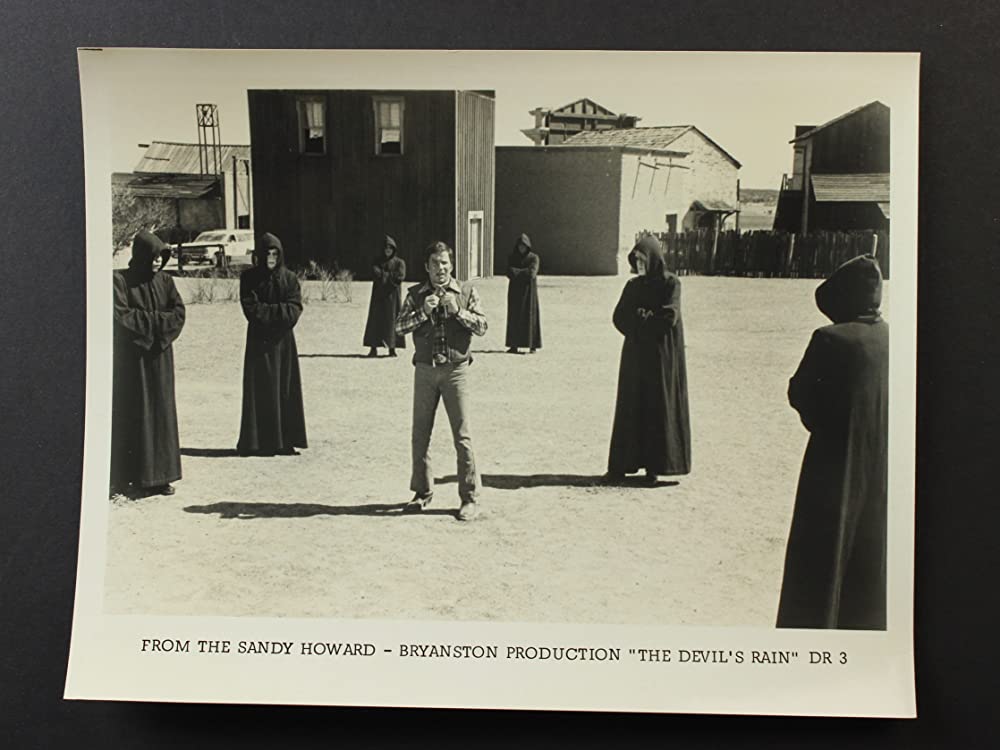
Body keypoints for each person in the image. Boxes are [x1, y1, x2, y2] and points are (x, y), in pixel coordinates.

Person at [777, 254, 889, 630]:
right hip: (881, 463)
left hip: (833, 462)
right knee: (870, 550)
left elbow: (800, 392)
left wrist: (825, 424)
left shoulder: (829, 338)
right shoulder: (893, 338)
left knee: (824, 550)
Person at [395, 241, 488, 521]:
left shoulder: (467, 292)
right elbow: (398, 327)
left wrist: (458, 311)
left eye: (445, 263)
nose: (441, 268)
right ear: (427, 267)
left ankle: (469, 498)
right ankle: (422, 492)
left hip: (455, 370)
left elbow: (483, 326)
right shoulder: (415, 295)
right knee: (420, 435)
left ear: (452, 265)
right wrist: (423, 312)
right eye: (435, 263)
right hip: (424, 370)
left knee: (462, 436)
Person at [606, 235, 691, 484]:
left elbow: (668, 317)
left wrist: (641, 320)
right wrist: (644, 320)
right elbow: (619, 316)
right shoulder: (633, 286)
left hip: (660, 357)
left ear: (654, 259)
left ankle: (655, 467)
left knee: (657, 409)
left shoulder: (671, 284)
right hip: (635, 357)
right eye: (636, 261)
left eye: (643, 260)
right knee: (631, 408)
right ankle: (621, 466)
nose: (640, 266)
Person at [110, 230, 186, 498]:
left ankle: (161, 477)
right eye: (153, 256)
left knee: (161, 413)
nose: (157, 262)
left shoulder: (166, 281)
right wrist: (154, 325)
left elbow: (177, 314)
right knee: (136, 411)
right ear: (142, 255)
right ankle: (133, 476)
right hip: (135, 360)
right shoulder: (121, 281)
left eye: (161, 257)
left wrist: (155, 331)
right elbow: (121, 316)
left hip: (160, 357)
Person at [236, 232, 308, 456]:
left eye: (275, 254)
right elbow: (251, 309)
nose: (271, 258)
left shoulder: (290, 279)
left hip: (283, 343)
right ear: (260, 255)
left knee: (284, 388)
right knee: (261, 389)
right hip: (259, 342)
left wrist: (272, 314)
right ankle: (258, 443)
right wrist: (278, 314)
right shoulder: (249, 279)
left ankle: (284, 441)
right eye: (267, 253)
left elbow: (294, 309)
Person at [363, 235, 408, 357]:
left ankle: (392, 349)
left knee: (392, 321)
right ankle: (373, 349)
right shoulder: (377, 262)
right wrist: (388, 276)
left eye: (390, 248)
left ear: (394, 249)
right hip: (378, 297)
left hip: (392, 297)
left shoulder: (400, 262)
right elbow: (374, 273)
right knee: (375, 321)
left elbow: (400, 276)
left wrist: (385, 277)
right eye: (386, 248)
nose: (388, 250)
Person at [505, 233, 542, 354]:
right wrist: (523, 273)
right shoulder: (512, 257)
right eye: (520, 246)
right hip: (515, 292)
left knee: (530, 317)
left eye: (524, 246)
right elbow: (509, 272)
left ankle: (532, 345)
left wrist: (517, 273)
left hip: (528, 293)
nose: (522, 248)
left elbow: (532, 273)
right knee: (514, 317)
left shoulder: (534, 258)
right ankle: (513, 346)